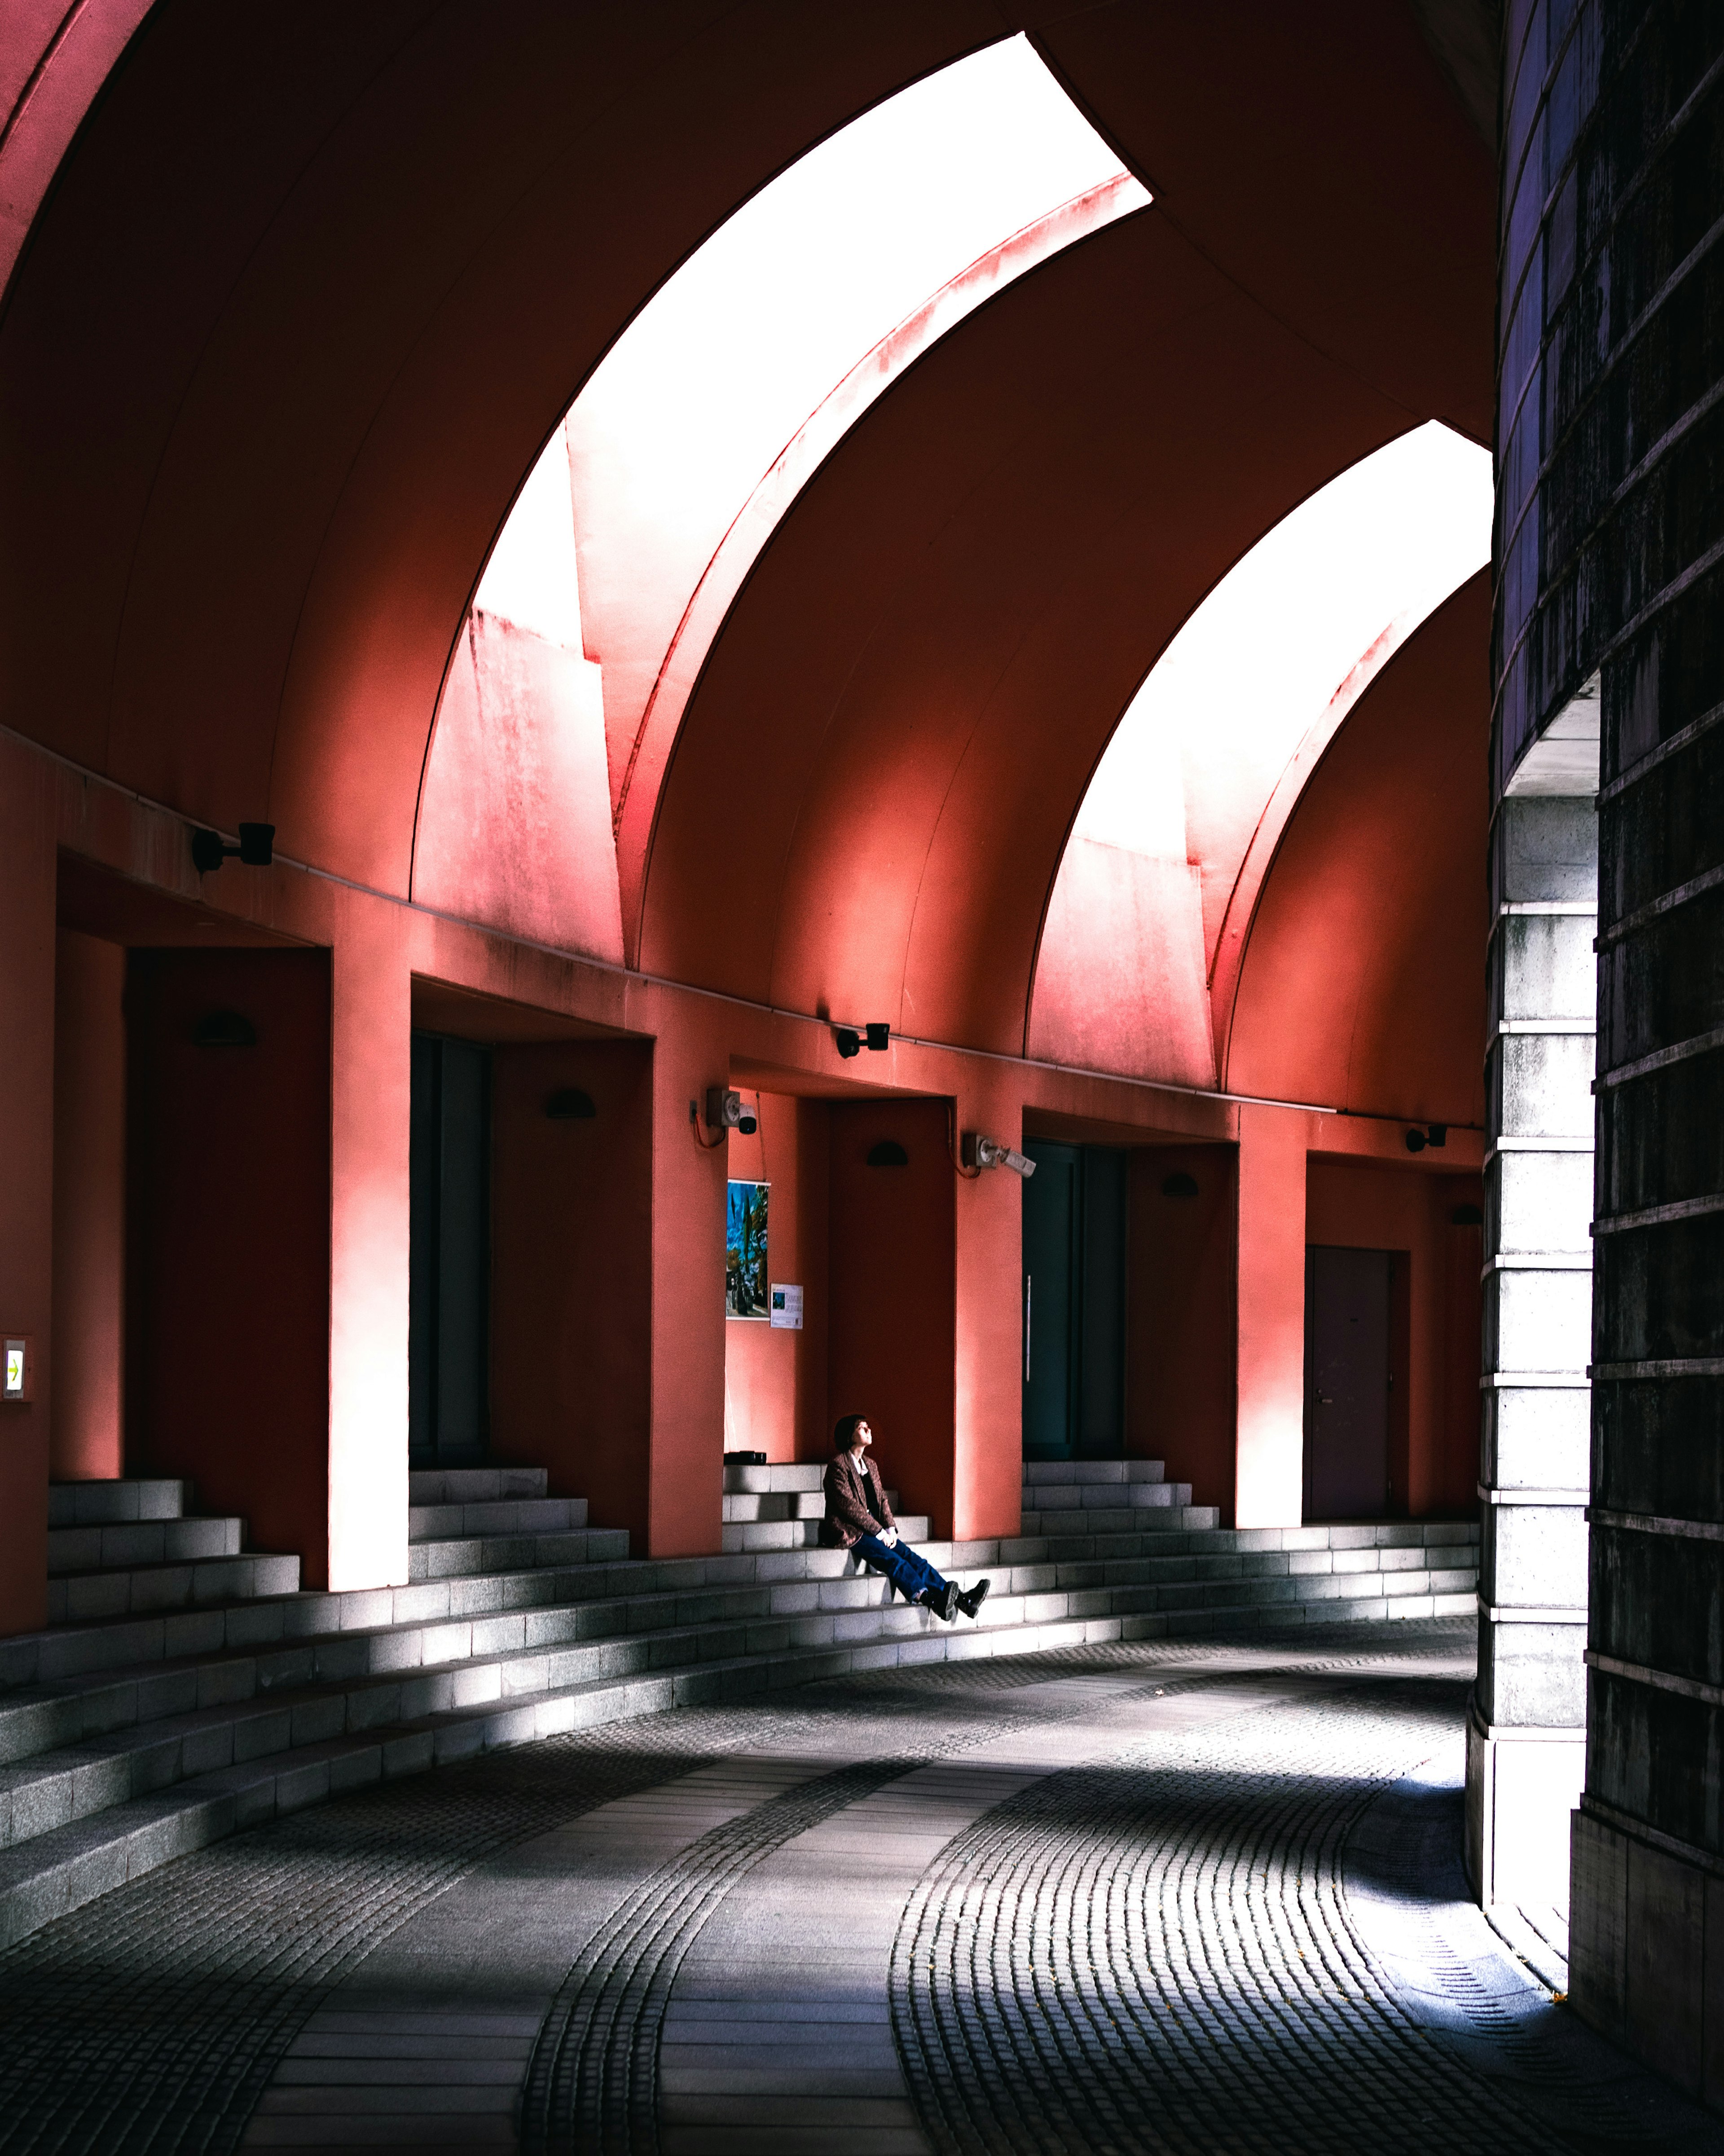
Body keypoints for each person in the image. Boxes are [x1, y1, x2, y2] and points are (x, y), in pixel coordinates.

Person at [822, 1414, 990, 1623]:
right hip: (851, 1530)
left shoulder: (871, 1465)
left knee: (913, 1559)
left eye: (868, 1427)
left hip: (874, 1527)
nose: (868, 1430)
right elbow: (849, 1507)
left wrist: (890, 1528)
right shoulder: (838, 1465)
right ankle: (929, 1599)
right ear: (849, 1435)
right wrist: (879, 1531)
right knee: (893, 1560)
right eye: (862, 1427)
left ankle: (964, 1601)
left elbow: (882, 1500)